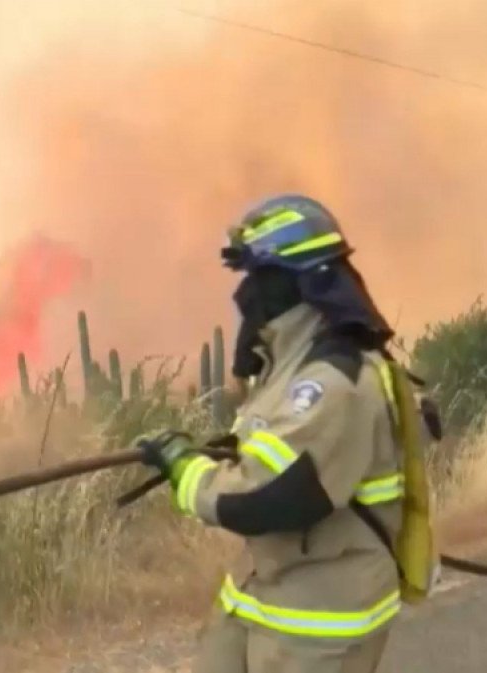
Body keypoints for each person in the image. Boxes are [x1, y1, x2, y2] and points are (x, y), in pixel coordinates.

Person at [138, 194, 437, 673]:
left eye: (261, 278)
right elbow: (275, 444)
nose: (249, 293)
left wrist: (185, 468)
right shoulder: (293, 362)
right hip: (268, 585)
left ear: (304, 282)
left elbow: (265, 496)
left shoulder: (333, 381)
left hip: (319, 614)